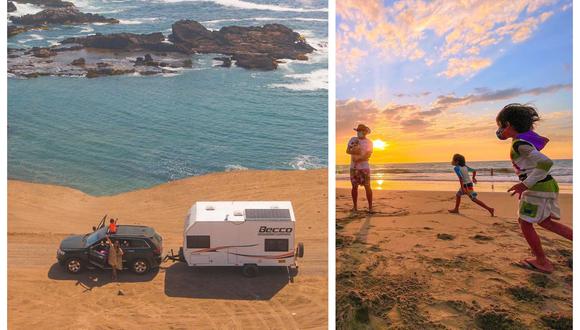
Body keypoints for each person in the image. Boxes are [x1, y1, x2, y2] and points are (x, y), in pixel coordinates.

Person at [496, 103, 572, 273]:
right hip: (545, 187)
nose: (499, 131)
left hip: (539, 188)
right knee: (545, 222)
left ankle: (542, 261)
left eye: (500, 126)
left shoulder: (519, 144)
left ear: (507, 125)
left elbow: (546, 162)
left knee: (525, 222)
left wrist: (525, 184)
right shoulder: (522, 142)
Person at [346, 124, 373, 212]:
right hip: (353, 168)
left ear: (365, 132)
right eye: (357, 131)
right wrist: (354, 150)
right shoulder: (352, 139)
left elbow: (369, 154)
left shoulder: (369, 142)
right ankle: (355, 207)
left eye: (360, 131)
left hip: (364, 167)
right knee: (354, 187)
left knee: (367, 186)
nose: (358, 133)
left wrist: (359, 158)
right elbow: (347, 151)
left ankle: (370, 207)